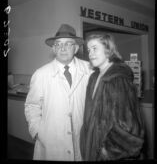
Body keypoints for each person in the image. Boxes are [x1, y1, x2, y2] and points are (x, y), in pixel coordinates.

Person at [24, 24, 92, 161]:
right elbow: (32, 106)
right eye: (58, 44)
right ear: (54, 49)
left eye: (68, 44)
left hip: (83, 138)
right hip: (50, 141)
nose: (62, 48)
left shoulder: (90, 70)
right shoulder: (41, 74)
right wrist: (37, 132)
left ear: (76, 48)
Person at [80, 33, 144, 161]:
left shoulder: (118, 79)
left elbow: (128, 125)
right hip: (92, 148)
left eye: (94, 48)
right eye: (88, 50)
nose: (90, 54)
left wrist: (107, 151)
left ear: (108, 49)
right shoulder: (94, 77)